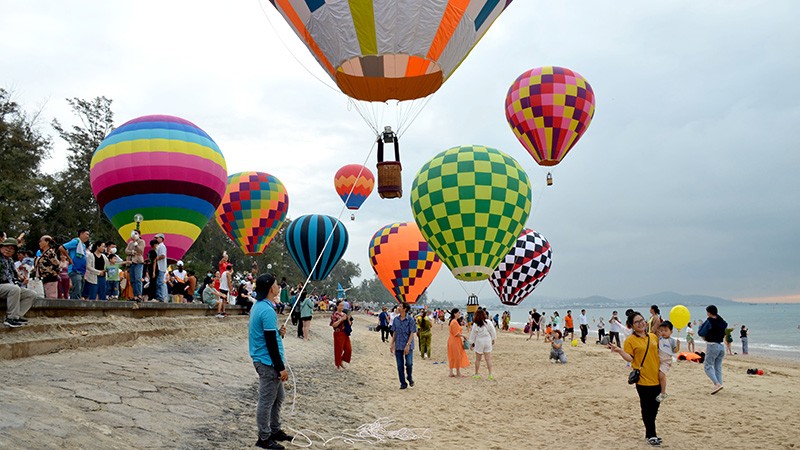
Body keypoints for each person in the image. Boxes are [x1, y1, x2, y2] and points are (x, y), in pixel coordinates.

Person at [248, 274, 292, 449]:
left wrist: (277, 332)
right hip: (267, 362)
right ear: (269, 288)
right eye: (275, 284)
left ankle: (275, 430)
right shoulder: (266, 310)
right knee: (266, 401)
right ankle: (264, 437)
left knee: (278, 397)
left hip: (266, 359)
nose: (278, 286)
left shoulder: (261, 306)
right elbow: (270, 343)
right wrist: (281, 368)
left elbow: (268, 335)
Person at [608, 311, 662, 447]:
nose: (641, 323)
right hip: (643, 380)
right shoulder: (631, 340)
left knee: (655, 407)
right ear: (632, 325)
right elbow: (630, 358)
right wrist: (619, 351)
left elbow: (660, 353)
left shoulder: (653, 337)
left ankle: (650, 431)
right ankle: (651, 434)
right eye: (637, 322)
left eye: (642, 320)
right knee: (646, 407)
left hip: (657, 377)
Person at [1, 238, 35, 328]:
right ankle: (10, 318)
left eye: (12, 248)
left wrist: (21, 278)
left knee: (31, 294)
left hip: (8, 286)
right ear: (1, 247)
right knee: (14, 289)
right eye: (6, 247)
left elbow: (14, 275)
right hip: (3, 285)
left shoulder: (10, 261)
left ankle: (17, 316)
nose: (8, 249)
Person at [698, 305, 727, 395]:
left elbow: (701, 332)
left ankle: (717, 384)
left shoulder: (710, 321)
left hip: (712, 345)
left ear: (709, 313)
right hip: (721, 346)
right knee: (718, 366)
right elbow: (725, 326)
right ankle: (720, 384)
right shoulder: (721, 321)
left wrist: (700, 326)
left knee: (707, 366)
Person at [389, 302, 417, 389]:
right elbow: (395, 332)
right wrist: (392, 343)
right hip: (398, 344)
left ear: (405, 309)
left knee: (409, 363)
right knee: (400, 365)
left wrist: (408, 344)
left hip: (408, 344)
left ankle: (409, 377)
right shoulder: (396, 320)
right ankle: (403, 383)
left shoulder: (410, 320)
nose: (398, 307)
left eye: (400, 306)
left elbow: (412, 332)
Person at [59, 228, 90, 299]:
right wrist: (69, 258)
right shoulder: (76, 242)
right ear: (81, 234)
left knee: (80, 290)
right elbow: (61, 247)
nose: (88, 236)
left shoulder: (83, 245)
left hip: (81, 270)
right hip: (74, 269)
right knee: (76, 290)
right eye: (86, 234)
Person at [469, 309, 497, 379]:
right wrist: (493, 339)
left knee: (478, 359)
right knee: (488, 359)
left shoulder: (476, 324)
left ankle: (476, 374)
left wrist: (471, 343)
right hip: (487, 340)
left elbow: (473, 334)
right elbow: (493, 331)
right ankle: (490, 374)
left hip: (479, 341)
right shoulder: (488, 322)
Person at [656, 321, 679, 402]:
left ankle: (663, 393)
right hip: (658, 360)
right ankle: (659, 390)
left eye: (666, 331)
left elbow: (675, 351)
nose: (663, 332)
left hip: (666, 361)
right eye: (661, 330)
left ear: (671, 332)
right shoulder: (659, 338)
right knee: (657, 376)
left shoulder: (672, 341)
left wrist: (678, 345)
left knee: (661, 375)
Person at [447, 308, 470, 377]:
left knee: (453, 355)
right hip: (454, 340)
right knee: (457, 355)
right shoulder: (454, 322)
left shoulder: (454, 321)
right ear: (455, 314)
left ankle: (452, 372)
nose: (459, 314)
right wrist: (463, 335)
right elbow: (456, 333)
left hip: (454, 340)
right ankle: (457, 372)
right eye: (458, 313)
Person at [330, 300, 352, 370]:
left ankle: (341, 360)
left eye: (343, 305)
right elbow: (333, 325)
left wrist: (348, 319)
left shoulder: (344, 314)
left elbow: (350, 324)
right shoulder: (335, 315)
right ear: (337, 306)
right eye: (341, 305)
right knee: (339, 349)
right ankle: (338, 364)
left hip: (345, 333)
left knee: (349, 349)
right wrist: (341, 319)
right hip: (338, 333)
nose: (342, 307)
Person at [125, 230, 145, 301]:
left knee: (138, 278)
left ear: (139, 235)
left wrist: (136, 245)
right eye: (133, 233)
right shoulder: (130, 243)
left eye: (136, 233)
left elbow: (140, 251)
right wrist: (132, 252)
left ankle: (139, 294)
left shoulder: (141, 241)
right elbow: (126, 251)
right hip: (131, 262)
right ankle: (135, 295)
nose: (134, 235)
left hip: (138, 262)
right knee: (132, 279)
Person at [153, 233, 167, 301]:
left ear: (161, 239)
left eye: (157, 238)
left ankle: (160, 297)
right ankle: (158, 296)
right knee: (158, 282)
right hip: (158, 267)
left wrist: (155, 258)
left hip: (161, 267)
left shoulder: (162, 246)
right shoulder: (158, 246)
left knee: (160, 282)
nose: (156, 239)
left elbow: (163, 255)